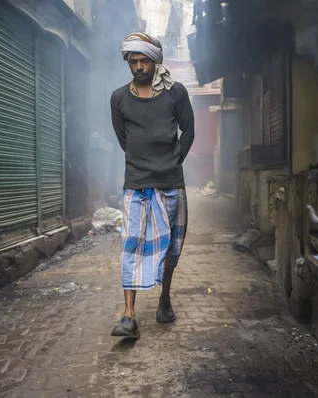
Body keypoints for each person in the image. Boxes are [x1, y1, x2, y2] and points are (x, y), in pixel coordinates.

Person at [109, 33, 195, 339]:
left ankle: (164, 300)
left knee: (172, 245)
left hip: (172, 184)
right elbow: (124, 140)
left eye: (144, 60)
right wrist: (142, 163)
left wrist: (173, 161)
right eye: (133, 61)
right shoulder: (119, 98)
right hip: (137, 185)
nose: (139, 66)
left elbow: (188, 131)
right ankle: (128, 316)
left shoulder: (176, 93)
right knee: (132, 243)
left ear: (155, 61)